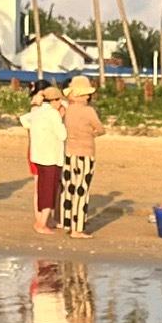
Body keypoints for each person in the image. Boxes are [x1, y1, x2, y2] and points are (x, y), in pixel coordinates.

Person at [58, 78, 103, 236]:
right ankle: (77, 228)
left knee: (68, 188)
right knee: (81, 190)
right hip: (85, 153)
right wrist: (92, 133)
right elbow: (100, 129)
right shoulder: (88, 111)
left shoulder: (68, 110)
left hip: (69, 152)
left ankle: (66, 222)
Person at [20, 84, 66, 234]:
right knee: (48, 190)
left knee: (41, 188)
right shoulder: (53, 114)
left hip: (37, 155)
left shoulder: (37, 112)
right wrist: (60, 119)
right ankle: (41, 223)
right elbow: (62, 135)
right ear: (54, 100)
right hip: (50, 157)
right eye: (58, 100)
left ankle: (42, 220)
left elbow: (24, 120)